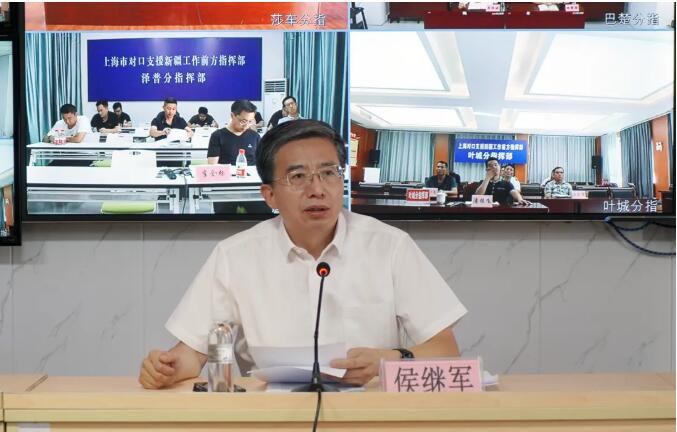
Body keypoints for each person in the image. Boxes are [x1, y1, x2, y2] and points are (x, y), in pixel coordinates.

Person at [139, 120, 467, 389]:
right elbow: (194, 353)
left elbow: (445, 348)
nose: (317, 189)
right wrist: (167, 368)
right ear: (269, 195)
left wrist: (391, 358)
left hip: (368, 415)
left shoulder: (390, 246)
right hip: (271, 419)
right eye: (298, 177)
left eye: (329, 173)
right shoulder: (235, 255)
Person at [207, 100, 260, 166]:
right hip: (227, 172)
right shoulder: (217, 136)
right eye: (243, 121)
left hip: (250, 172)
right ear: (232, 115)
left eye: (250, 121)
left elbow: (262, 163)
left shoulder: (255, 136)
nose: (246, 126)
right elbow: (212, 166)